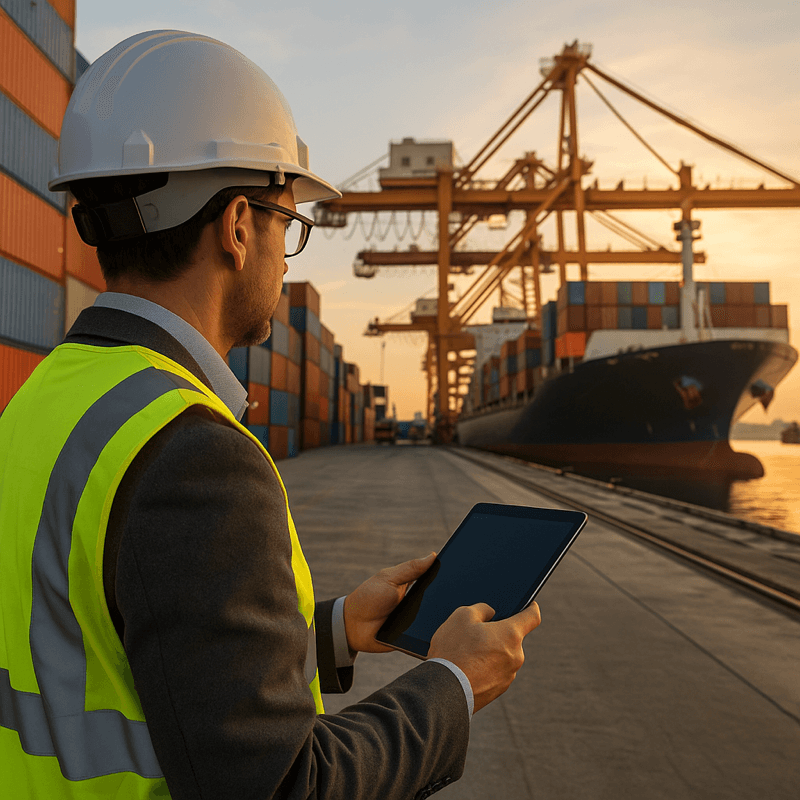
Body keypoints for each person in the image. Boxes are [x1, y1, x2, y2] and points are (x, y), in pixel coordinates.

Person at [0, 31, 541, 799]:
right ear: (237, 228)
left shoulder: (47, 398)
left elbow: (114, 653)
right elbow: (286, 786)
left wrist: (333, 630)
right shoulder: (191, 453)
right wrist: (454, 684)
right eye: (290, 226)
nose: (287, 259)